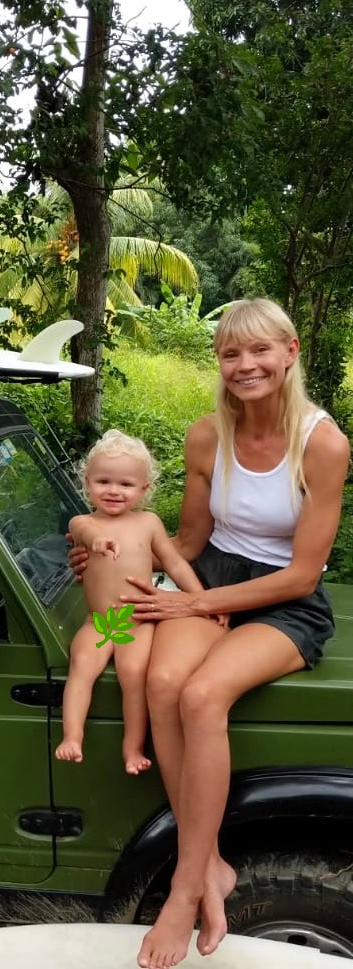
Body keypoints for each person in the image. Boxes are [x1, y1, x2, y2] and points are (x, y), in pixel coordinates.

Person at [72, 299, 349, 969]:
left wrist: (200, 606)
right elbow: (190, 540)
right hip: (211, 580)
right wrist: (108, 549)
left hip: (285, 599)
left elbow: (302, 574)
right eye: (230, 353)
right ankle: (214, 866)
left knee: (202, 697)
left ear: (289, 351)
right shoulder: (205, 436)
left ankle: (185, 888)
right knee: (164, 680)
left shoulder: (324, 443)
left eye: (259, 350)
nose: (245, 365)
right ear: (219, 362)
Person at [56, 430, 222, 776]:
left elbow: (175, 563)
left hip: (137, 621)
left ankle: (132, 747)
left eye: (126, 484)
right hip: (99, 623)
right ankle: (72, 736)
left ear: (144, 489)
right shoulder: (83, 522)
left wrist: (200, 600)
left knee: (134, 676)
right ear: (87, 483)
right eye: (103, 481)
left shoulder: (148, 523)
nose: (114, 491)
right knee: (82, 667)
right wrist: (99, 541)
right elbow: (86, 535)